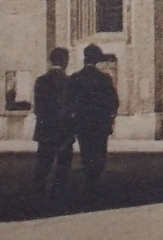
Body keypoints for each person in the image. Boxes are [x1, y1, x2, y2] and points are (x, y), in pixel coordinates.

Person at [67, 44, 121, 197]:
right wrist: (111, 117)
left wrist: (74, 117)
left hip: (82, 123)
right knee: (99, 151)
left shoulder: (75, 78)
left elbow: (69, 101)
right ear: (97, 60)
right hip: (100, 123)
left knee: (86, 150)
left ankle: (89, 178)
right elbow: (114, 101)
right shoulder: (104, 78)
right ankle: (95, 179)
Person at [31, 47, 74, 199]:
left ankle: (38, 189)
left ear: (51, 60)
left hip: (45, 127)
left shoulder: (41, 81)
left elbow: (37, 107)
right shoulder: (69, 82)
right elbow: (71, 107)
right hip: (64, 128)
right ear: (65, 61)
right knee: (63, 162)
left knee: (43, 161)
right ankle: (59, 191)